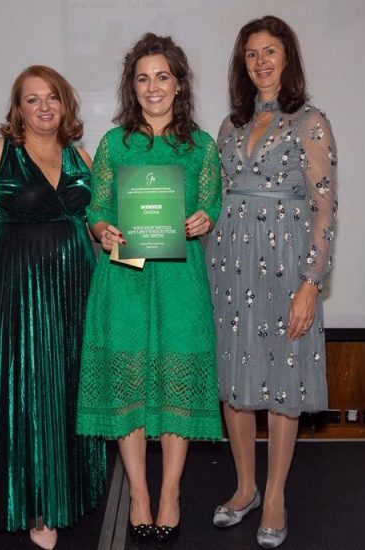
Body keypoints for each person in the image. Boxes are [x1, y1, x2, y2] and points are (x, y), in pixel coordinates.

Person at [0, 65, 107, 550]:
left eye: (51, 97)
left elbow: (100, 221)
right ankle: (35, 506)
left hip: (72, 294)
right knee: (26, 393)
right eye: (32, 99)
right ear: (18, 108)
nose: (43, 107)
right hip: (12, 291)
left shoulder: (82, 157)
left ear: (65, 104)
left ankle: (68, 492)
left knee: (67, 390)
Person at [76, 33, 222, 545]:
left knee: (178, 384)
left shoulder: (201, 146)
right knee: (128, 387)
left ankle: (171, 493)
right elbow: (97, 207)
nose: (153, 86)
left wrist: (206, 219)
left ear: (178, 84)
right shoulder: (114, 144)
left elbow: (213, 203)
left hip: (181, 281)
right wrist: (101, 229)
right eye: (142, 78)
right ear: (131, 87)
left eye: (162, 76)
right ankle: (139, 490)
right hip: (124, 276)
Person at [208, 16, 338, 549]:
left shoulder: (311, 121)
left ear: (288, 59)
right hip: (229, 264)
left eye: (271, 52)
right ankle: (245, 488)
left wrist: (312, 282)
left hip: (286, 267)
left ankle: (277, 494)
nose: (261, 62)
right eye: (252, 54)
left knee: (283, 382)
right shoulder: (228, 126)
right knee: (237, 381)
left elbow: (326, 209)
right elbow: (211, 200)